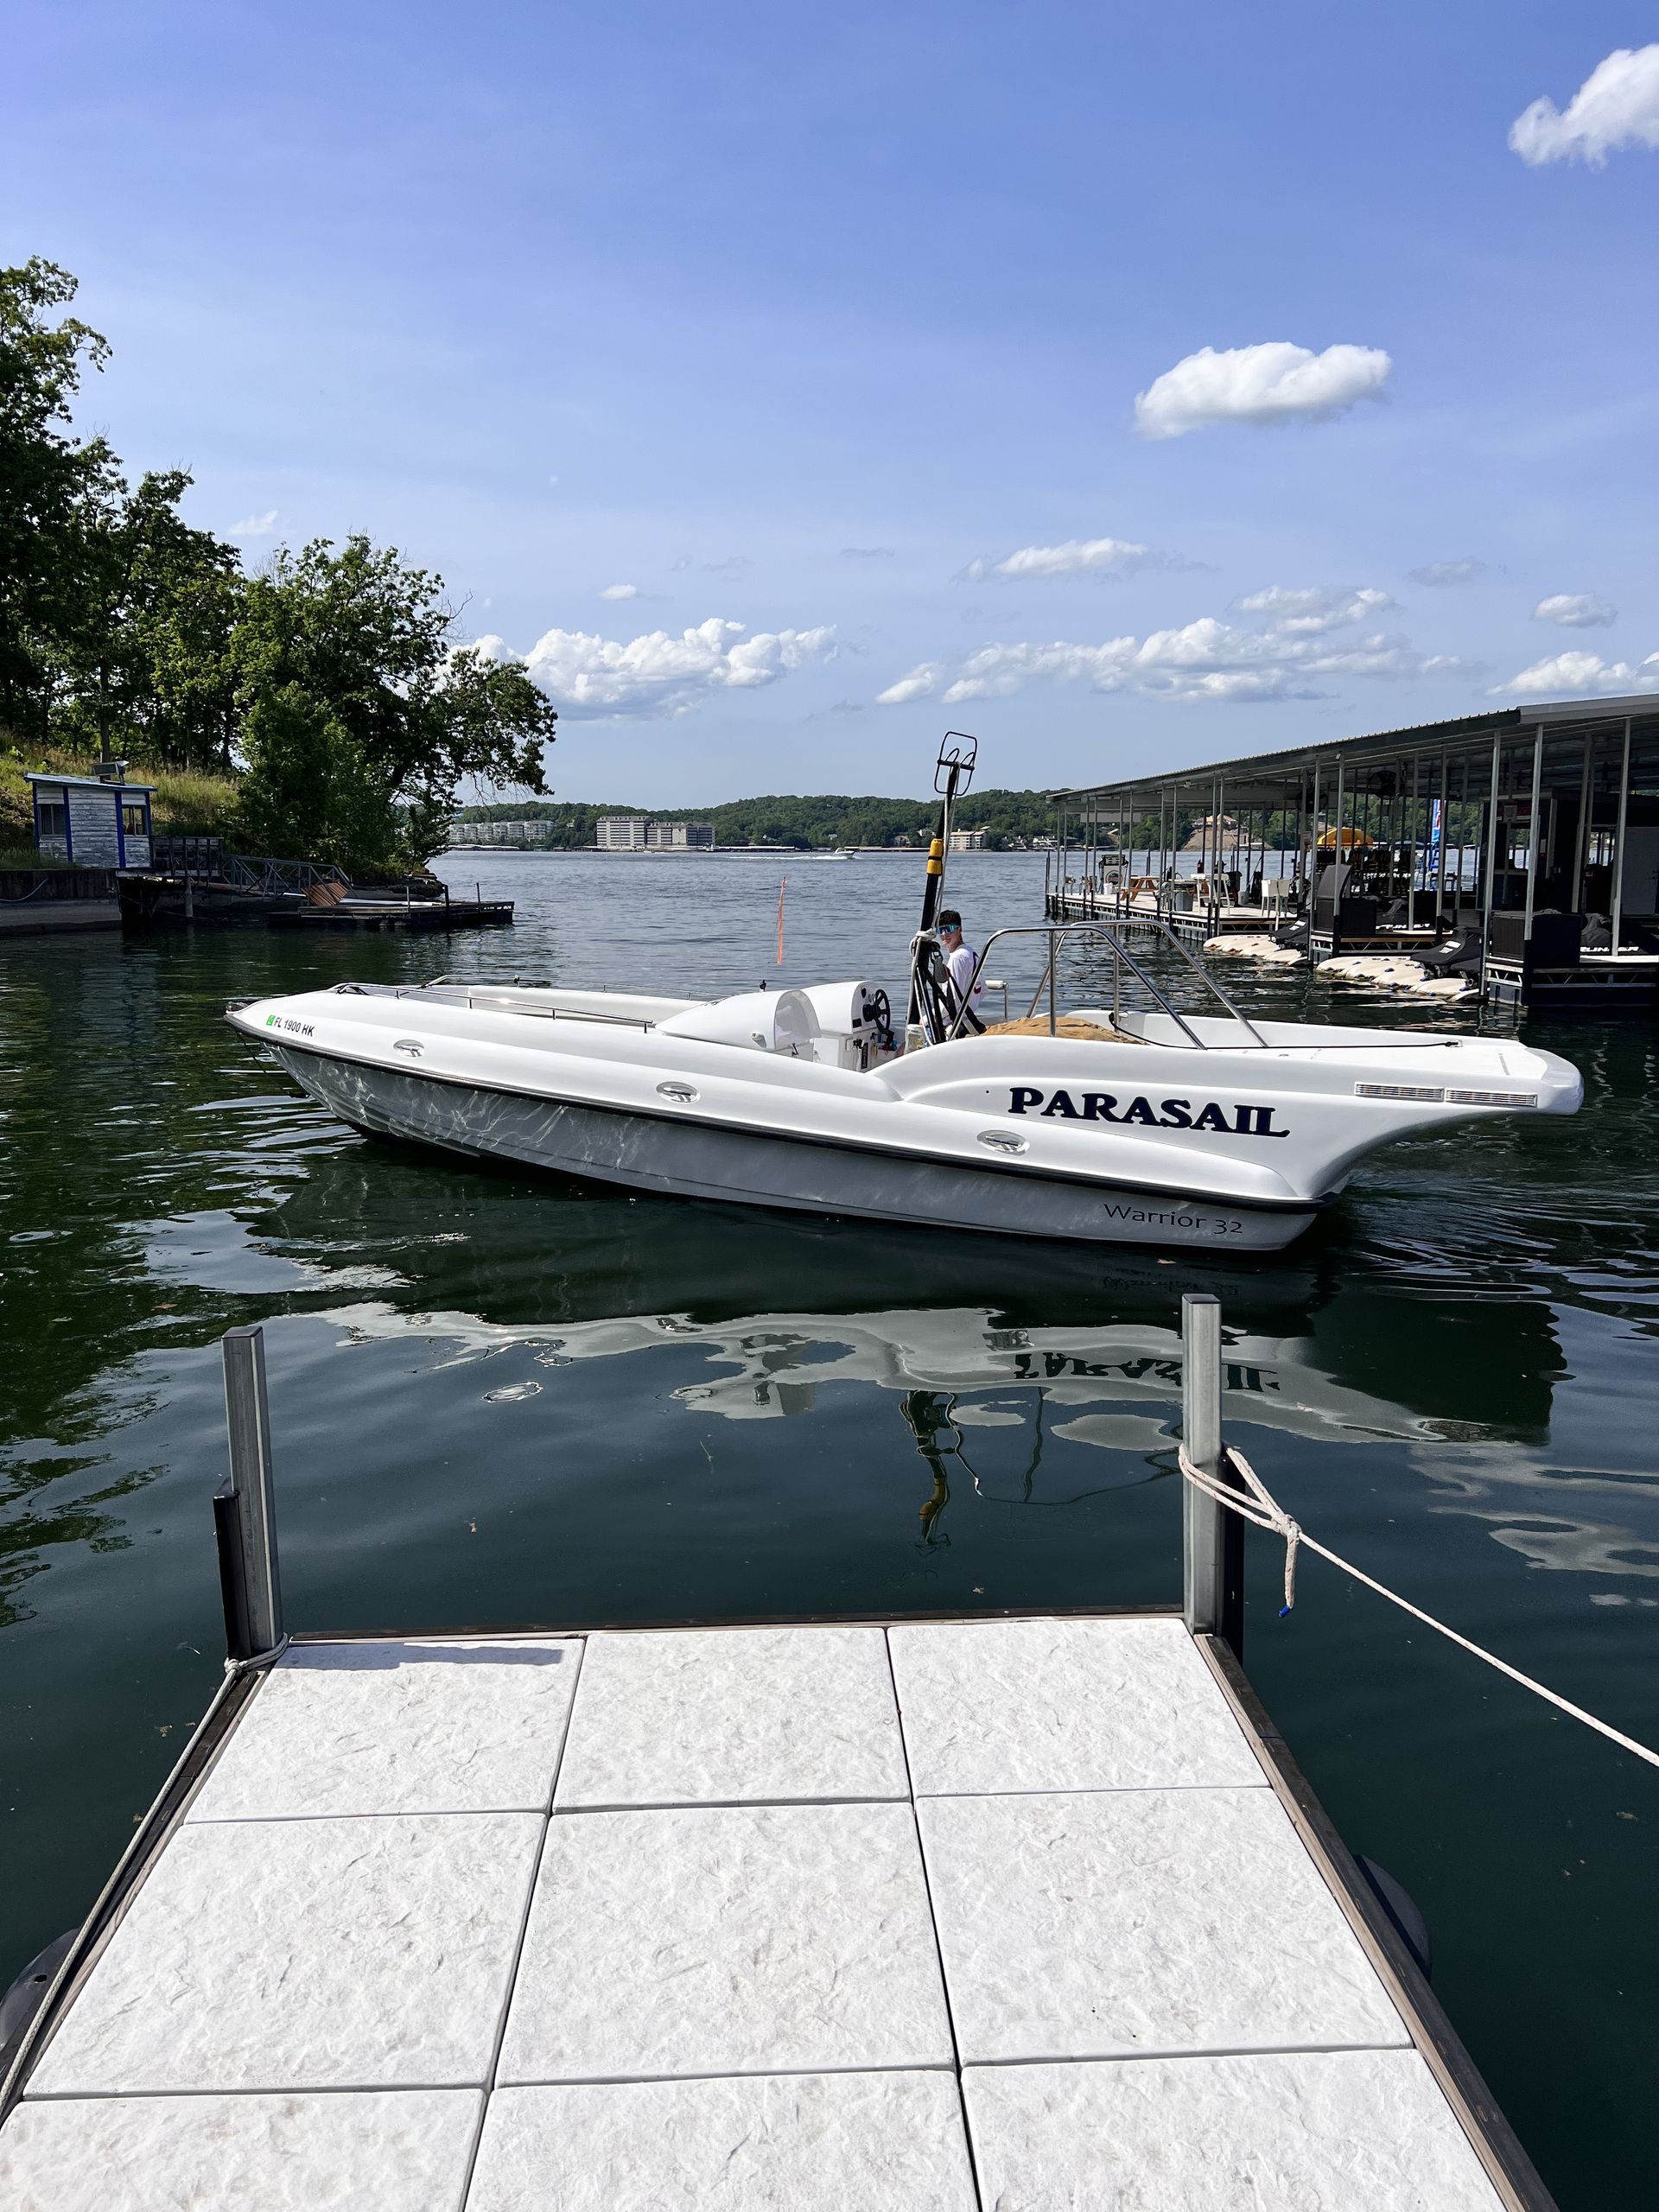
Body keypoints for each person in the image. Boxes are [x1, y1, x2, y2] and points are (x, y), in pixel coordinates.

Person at [936, 909, 983, 1017]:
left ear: (960, 930)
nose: (944, 934)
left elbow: (953, 999)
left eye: (949, 929)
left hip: (954, 1020)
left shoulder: (957, 958)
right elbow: (982, 989)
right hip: (968, 1016)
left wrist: (927, 1019)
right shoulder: (971, 952)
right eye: (940, 930)